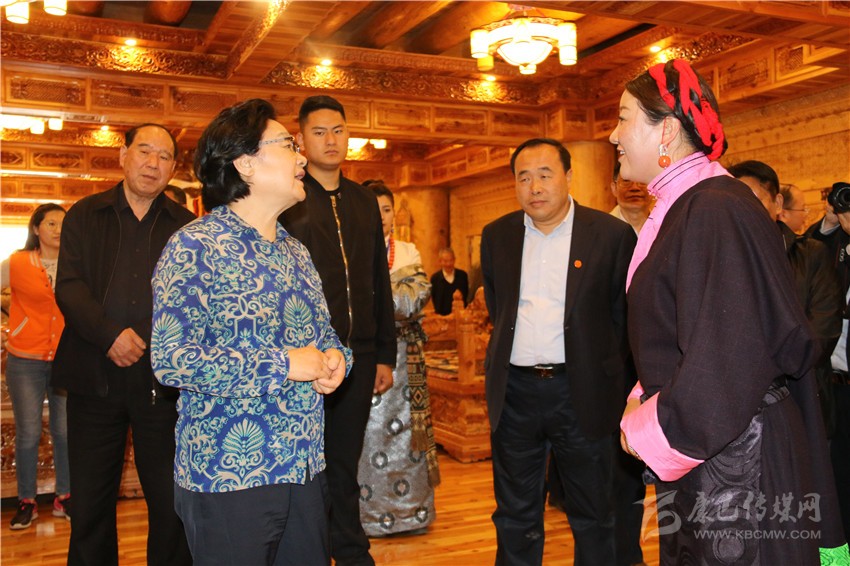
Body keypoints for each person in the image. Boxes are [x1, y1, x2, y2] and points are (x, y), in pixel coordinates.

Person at [613, 58, 848, 563]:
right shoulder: (692, 204)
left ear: (666, 131)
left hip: (738, 455)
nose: (613, 135)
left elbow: (727, 358)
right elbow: (682, 338)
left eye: (624, 118)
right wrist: (642, 397)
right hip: (721, 445)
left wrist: (643, 428)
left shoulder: (714, 207)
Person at [151, 98, 350, 565]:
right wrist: (283, 365)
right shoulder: (194, 246)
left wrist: (337, 359)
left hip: (303, 466)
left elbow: (324, 336)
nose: (302, 158)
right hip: (228, 477)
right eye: (288, 146)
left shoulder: (296, 252)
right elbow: (172, 359)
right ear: (245, 163)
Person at [481, 137, 636, 566]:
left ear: (568, 176)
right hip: (515, 393)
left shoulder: (610, 235)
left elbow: (624, 319)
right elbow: (499, 308)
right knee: (515, 513)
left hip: (583, 391)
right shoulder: (497, 236)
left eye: (545, 175)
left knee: (593, 512)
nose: (534, 187)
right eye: (524, 178)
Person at [52, 123, 194, 565]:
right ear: (123, 155)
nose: (153, 164)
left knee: (170, 504)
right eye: (144, 151)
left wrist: (147, 338)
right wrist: (109, 334)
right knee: (91, 503)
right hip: (94, 377)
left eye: (164, 157)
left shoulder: (186, 227)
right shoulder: (85, 214)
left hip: (162, 385)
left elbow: (191, 300)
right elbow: (69, 286)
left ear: (173, 168)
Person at [279, 95, 396, 566]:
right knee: (308, 465)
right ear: (300, 139)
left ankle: (349, 552)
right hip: (305, 359)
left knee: (344, 461)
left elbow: (378, 280)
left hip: (360, 356)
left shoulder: (364, 201)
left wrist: (384, 352)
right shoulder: (291, 198)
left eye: (339, 130)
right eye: (319, 131)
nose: (331, 140)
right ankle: (308, 549)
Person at [357, 180, 439, 537]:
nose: (381, 217)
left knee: (409, 437)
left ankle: (411, 514)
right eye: (373, 210)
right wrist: (389, 299)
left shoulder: (407, 250)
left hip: (406, 361)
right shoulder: (350, 248)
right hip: (362, 356)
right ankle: (365, 517)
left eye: (387, 209)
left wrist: (370, 298)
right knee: (364, 435)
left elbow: (415, 300)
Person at [1, 203, 70, 530]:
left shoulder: (76, 262)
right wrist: (13, 321)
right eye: (51, 223)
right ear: (36, 228)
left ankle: (64, 496)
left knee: (65, 431)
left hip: (67, 357)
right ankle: (26, 500)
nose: (58, 229)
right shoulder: (17, 262)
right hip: (24, 358)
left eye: (63, 223)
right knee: (28, 432)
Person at [808, 181, 850, 543]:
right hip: (838, 387)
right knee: (839, 479)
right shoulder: (836, 245)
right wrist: (830, 222)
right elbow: (808, 252)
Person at [610, 161, 652, 234]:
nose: (635, 187)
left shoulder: (666, 228)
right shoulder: (601, 230)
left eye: (642, 181)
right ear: (614, 188)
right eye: (626, 181)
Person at [430, 248, 469, 315]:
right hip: (442, 318)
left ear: (454, 260)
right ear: (440, 261)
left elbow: (466, 296)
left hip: (460, 316)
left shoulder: (462, 276)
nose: (448, 264)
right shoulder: (435, 279)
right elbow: (435, 300)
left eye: (451, 260)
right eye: (445, 261)